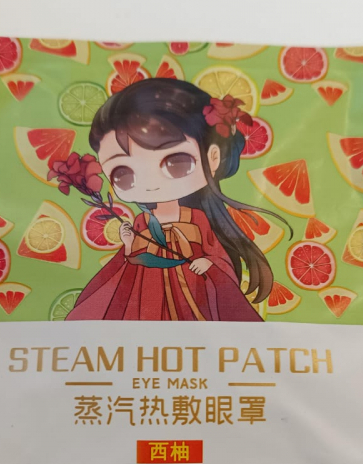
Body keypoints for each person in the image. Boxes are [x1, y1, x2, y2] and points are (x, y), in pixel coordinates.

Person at [66, 78, 290, 321]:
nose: (150, 184)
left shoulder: (197, 219)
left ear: (213, 157)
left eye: (176, 162)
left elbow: (218, 257)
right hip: (147, 297)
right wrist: (129, 244)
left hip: (193, 294)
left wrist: (208, 263)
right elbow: (130, 264)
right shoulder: (142, 222)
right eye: (123, 174)